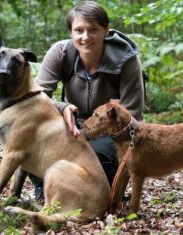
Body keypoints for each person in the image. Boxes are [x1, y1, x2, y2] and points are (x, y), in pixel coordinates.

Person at [32, 1, 144, 201]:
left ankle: (98, 193)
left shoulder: (126, 59)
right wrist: (63, 107)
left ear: (106, 30)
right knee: (32, 141)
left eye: (93, 30)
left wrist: (92, 133)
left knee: (95, 161)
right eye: (79, 30)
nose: (85, 37)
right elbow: (36, 97)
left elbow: (132, 114)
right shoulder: (61, 53)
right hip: (70, 124)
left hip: (110, 133)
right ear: (70, 32)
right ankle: (45, 191)